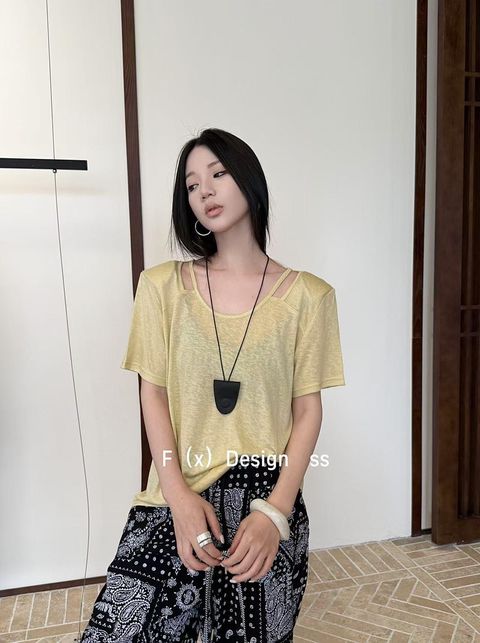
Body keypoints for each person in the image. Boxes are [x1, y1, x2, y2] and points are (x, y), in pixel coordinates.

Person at [79, 128, 346, 643]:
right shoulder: (161, 287)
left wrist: (276, 513)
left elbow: (308, 411)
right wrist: (177, 496)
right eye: (191, 184)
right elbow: (152, 393)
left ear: (249, 180)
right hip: (178, 489)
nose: (204, 190)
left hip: (266, 499)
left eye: (218, 174)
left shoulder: (309, 298)